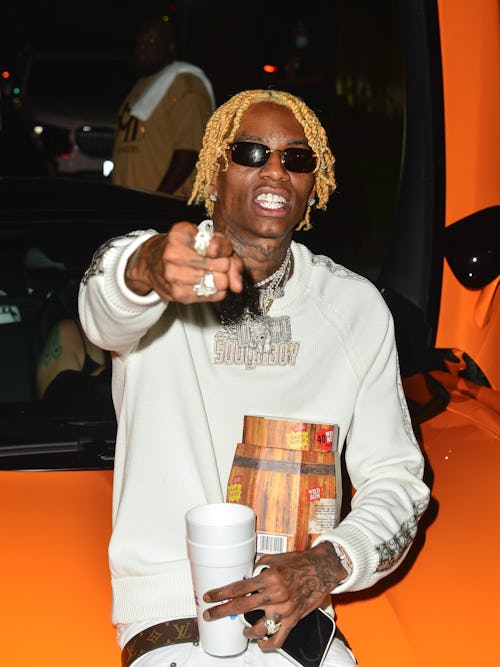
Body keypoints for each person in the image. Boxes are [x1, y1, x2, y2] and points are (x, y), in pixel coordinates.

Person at [79, 88, 430, 666]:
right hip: (172, 616)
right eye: (250, 152)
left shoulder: (354, 308)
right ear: (214, 172)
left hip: (298, 620)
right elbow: (103, 308)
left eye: (297, 158)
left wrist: (327, 563)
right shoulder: (162, 274)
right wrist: (147, 269)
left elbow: (397, 479)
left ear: (314, 184)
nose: (274, 170)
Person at [111, 16, 215, 198]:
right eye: (139, 42)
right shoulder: (141, 85)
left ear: (170, 47)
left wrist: (158, 199)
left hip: (163, 205)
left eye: (151, 41)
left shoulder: (186, 83)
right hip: (128, 203)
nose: (143, 47)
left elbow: (190, 151)